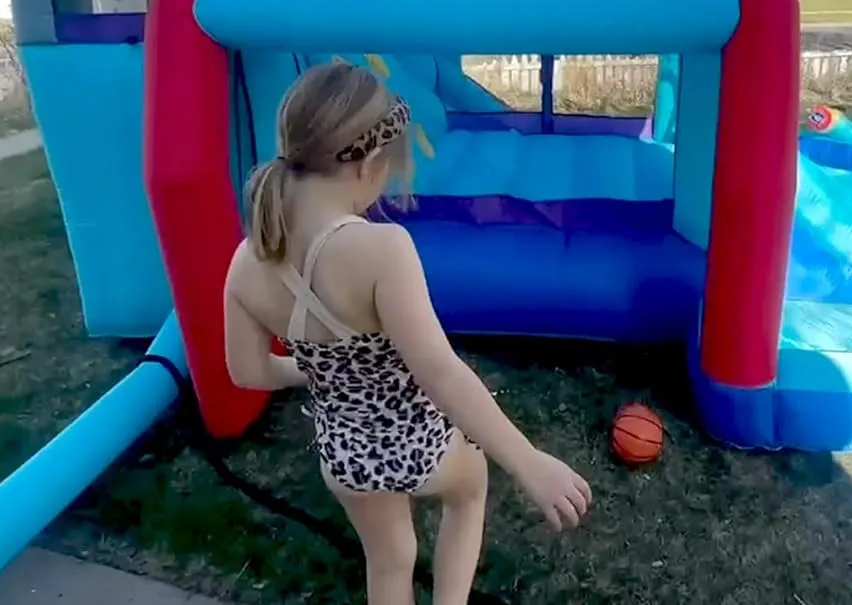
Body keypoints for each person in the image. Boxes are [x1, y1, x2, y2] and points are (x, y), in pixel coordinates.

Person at [223, 62, 592, 605]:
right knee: (470, 488)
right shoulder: (380, 250)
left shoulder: (247, 259)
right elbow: (440, 373)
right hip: (418, 447)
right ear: (369, 161)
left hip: (344, 457)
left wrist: (318, 368)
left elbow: (247, 371)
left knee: (391, 558)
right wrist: (528, 460)